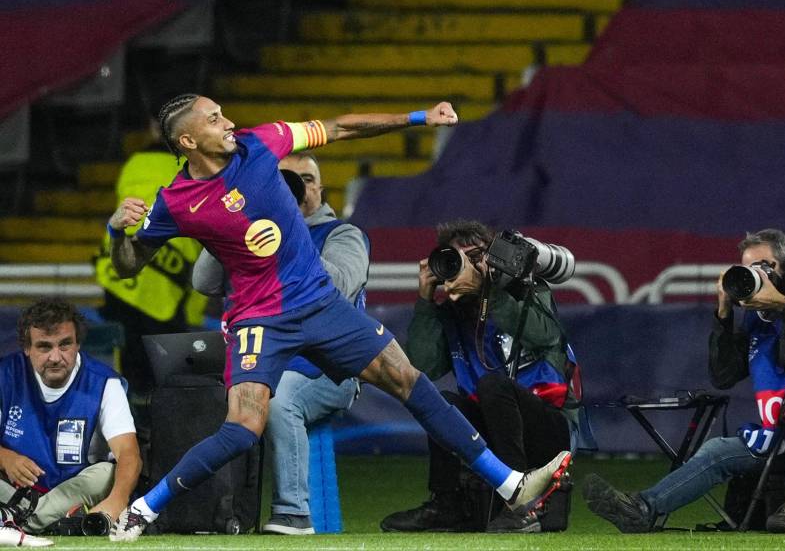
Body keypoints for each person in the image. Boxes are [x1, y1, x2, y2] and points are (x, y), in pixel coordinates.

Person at [105, 94, 571, 541]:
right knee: (242, 428)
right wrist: (115, 231)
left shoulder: (262, 142)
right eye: (213, 119)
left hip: (321, 305)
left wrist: (417, 117)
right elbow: (129, 263)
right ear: (187, 142)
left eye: (222, 114)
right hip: (259, 321)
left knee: (408, 379)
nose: (227, 123)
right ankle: (142, 511)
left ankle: (510, 485)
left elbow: (340, 126)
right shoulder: (177, 201)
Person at [583, 229, 785, 534]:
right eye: (750, 269)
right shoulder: (756, 320)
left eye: (766, 266)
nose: (759, 276)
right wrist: (723, 312)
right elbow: (723, 377)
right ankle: (642, 508)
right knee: (716, 451)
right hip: (783, 439)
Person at [191, 152, 365, 535]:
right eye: (286, 180)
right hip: (258, 361)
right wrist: (231, 222)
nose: (297, 188)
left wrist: (287, 228)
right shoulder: (251, 233)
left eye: (305, 179)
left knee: (280, 396)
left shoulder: (342, 234)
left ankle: (293, 513)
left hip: (327, 369)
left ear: (319, 188)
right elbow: (202, 282)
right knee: (197, 395)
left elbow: (336, 286)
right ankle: (209, 514)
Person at [380, 220, 581, 534]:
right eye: (456, 259)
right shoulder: (452, 312)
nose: (464, 267)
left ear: (491, 259)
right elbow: (424, 366)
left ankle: (518, 506)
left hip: (550, 429)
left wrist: (492, 294)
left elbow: (545, 336)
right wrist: (425, 300)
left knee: (492, 385)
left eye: (474, 256)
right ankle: (447, 505)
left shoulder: (525, 291)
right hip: (494, 425)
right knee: (441, 402)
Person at [0, 298, 141, 542]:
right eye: (44, 347)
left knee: (107, 473)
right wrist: (5, 457)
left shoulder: (105, 383)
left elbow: (129, 455)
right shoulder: (5, 375)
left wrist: (116, 502)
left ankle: (14, 521)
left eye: (64, 345)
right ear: (26, 348)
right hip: (12, 490)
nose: (56, 357)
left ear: (78, 344)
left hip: (71, 491)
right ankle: (34, 521)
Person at [95, 125, 208, 393]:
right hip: (168, 281)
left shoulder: (134, 163)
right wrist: (194, 311)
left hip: (122, 275)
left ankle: (132, 420)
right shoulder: (201, 170)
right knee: (168, 376)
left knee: (131, 369)